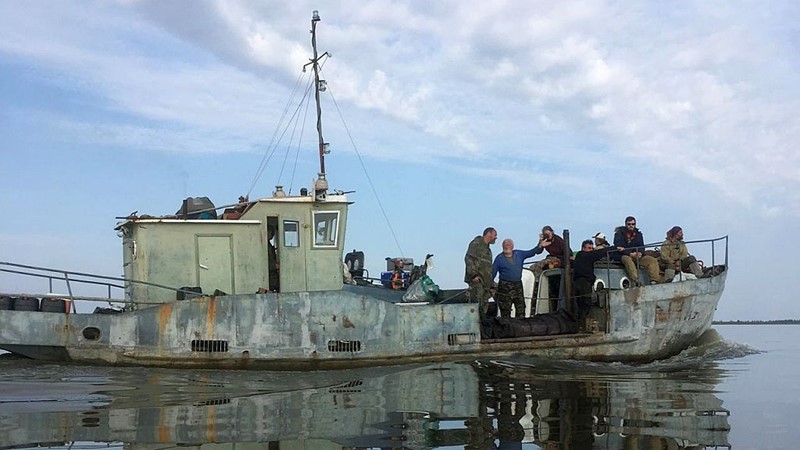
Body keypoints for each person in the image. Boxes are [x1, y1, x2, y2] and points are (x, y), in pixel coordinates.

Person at [491, 237, 551, 318]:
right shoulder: (499, 258)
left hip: (518, 286)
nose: (507, 246)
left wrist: (540, 245)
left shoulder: (519, 254)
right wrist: (491, 287)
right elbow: (492, 273)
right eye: (505, 245)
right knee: (505, 310)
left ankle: (520, 327)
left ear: (512, 246)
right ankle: (506, 328)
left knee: (521, 308)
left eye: (508, 245)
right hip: (504, 287)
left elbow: (531, 252)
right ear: (502, 247)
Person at [572, 240, 623, 321]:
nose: (591, 250)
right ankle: (583, 321)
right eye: (589, 248)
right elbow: (599, 253)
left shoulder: (580, 257)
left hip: (580, 282)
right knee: (585, 302)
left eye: (592, 248)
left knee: (580, 303)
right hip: (583, 282)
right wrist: (614, 248)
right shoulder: (584, 255)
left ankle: (580, 321)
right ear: (583, 248)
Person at [612, 216, 661, 285]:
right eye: (629, 224)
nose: (631, 226)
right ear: (626, 224)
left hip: (636, 255)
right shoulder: (619, 234)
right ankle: (636, 280)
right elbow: (619, 247)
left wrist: (640, 253)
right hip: (622, 255)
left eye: (633, 224)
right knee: (627, 259)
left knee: (652, 260)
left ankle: (654, 281)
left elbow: (641, 246)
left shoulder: (638, 234)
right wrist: (630, 253)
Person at [464, 227, 498, 319]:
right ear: (489, 234)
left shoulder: (488, 249)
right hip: (477, 281)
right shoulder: (476, 243)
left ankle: (482, 326)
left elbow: (487, 268)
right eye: (495, 235)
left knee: (484, 306)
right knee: (476, 306)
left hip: (485, 283)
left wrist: (491, 285)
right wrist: (473, 275)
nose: (496, 238)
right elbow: (468, 259)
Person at [267, 226, 280, 292]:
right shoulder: (265, 245)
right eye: (271, 232)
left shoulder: (269, 244)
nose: (272, 234)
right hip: (270, 274)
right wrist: (274, 266)